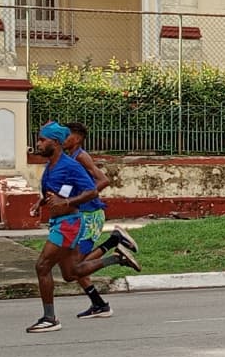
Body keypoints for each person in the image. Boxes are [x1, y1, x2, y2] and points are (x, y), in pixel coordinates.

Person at [26, 122, 141, 334]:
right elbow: (55, 192)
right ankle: (117, 258)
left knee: (42, 266)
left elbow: (92, 191)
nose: (38, 144)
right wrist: (40, 203)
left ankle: (49, 318)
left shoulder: (71, 165)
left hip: (70, 224)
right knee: (71, 273)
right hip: (59, 223)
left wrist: (67, 203)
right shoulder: (51, 165)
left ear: (56, 142)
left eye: (43, 140)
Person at [62, 121, 140, 319]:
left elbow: (103, 180)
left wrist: (84, 197)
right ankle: (99, 304)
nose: (62, 138)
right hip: (79, 215)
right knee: (74, 268)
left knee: (75, 268)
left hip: (90, 215)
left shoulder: (81, 156)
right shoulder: (70, 156)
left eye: (66, 135)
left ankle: (115, 252)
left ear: (77, 138)